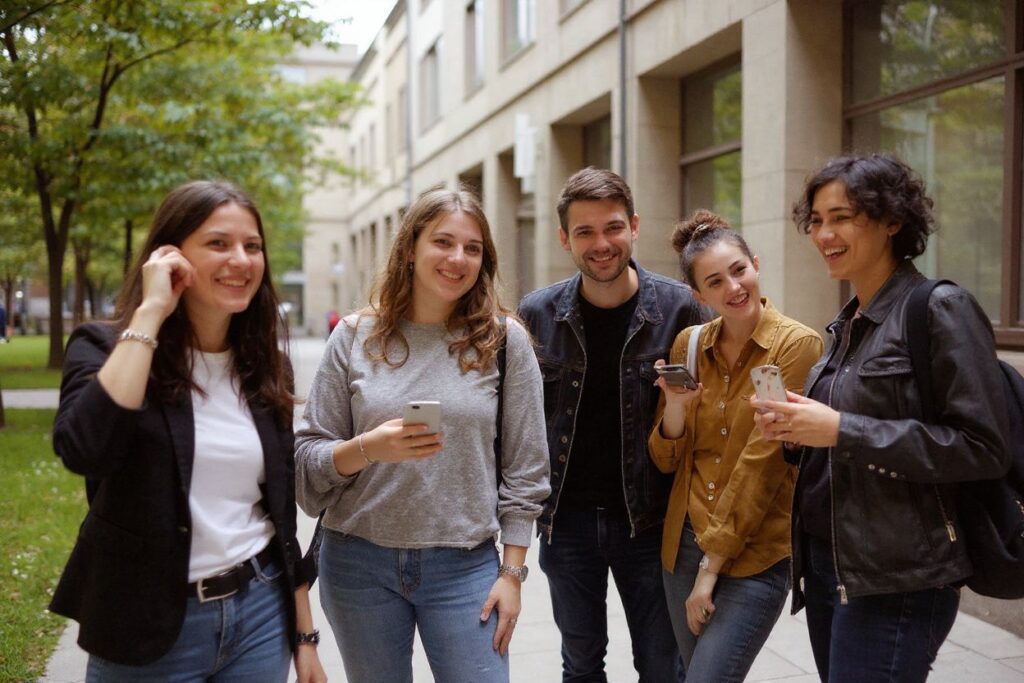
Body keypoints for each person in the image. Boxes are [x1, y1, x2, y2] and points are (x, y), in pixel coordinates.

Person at [50, 181, 326, 682]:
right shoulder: (107, 348)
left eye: (252, 246)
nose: (240, 260)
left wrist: (305, 636)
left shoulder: (266, 367)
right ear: (169, 255)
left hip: (260, 613)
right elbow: (85, 450)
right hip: (148, 625)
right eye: (218, 243)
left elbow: (278, 511)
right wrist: (152, 311)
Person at [753, 154, 1010, 682]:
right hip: (832, 565)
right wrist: (798, 433)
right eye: (818, 221)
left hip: (899, 576)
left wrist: (842, 429)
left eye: (842, 217)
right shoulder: (848, 323)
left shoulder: (939, 308)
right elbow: (844, 435)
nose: (825, 233)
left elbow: (982, 447)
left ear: (892, 220)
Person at [294, 187, 550, 683]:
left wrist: (513, 573)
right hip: (357, 562)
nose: (458, 258)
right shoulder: (352, 336)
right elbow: (306, 464)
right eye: (443, 242)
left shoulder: (503, 341)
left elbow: (527, 468)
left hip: (464, 566)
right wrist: (368, 449)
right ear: (410, 247)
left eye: (472, 248)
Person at [518, 167, 702, 682]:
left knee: (662, 666)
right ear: (564, 239)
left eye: (613, 228)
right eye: (585, 232)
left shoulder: (680, 309)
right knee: (580, 665)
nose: (602, 244)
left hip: (652, 520)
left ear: (634, 226)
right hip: (566, 523)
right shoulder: (536, 314)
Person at [647, 210, 823, 681]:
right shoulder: (689, 344)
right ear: (698, 295)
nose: (733, 287)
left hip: (756, 552)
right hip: (682, 543)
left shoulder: (795, 346)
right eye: (715, 281)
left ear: (756, 264)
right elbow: (665, 459)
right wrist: (678, 407)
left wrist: (710, 570)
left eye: (739, 270)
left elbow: (762, 465)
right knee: (692, 671)